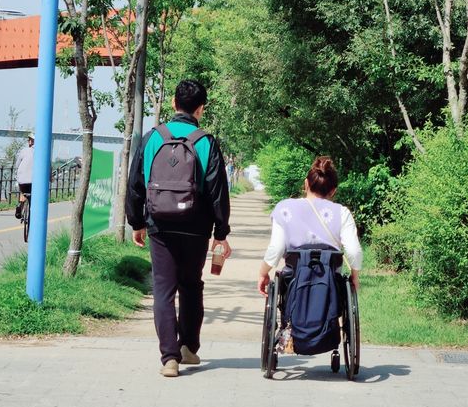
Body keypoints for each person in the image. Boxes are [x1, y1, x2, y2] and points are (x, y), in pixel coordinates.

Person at [126, 79, 232, 378]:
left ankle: (169, 358)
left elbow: (135, 183)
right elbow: (217, 191)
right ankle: (189, 347)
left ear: (174, 104)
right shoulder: (206, 142)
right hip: (196, 228)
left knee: (163, 288)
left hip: (159, 224)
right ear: (201, 108)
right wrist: (220, 232)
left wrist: (136, 221)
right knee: (191, 285)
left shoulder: (153, 138)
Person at [258, 156, 362, 296]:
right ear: (333, 191)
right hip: (330, 282)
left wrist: (263, 273)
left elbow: (276, 248)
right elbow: (354, 251)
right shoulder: (342, 213)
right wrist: (355, 276)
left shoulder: (284, 209)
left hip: (294, 279)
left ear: (306, 184)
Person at [14, 133, 34, 219]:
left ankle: (20, 204)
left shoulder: (24, 151)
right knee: (33, 197)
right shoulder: (43, 152)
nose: (28, 141)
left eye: (29, 140)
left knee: (23, 192)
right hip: (34, 182)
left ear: (31, 141)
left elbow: (17, 165)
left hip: (22, 181)